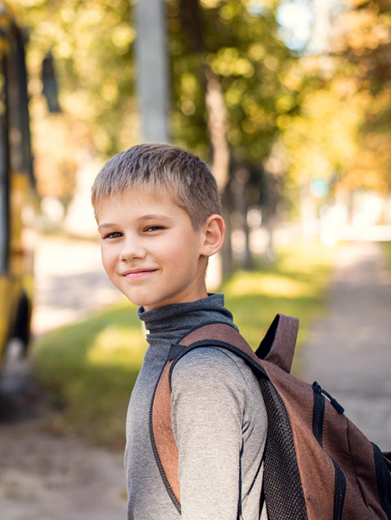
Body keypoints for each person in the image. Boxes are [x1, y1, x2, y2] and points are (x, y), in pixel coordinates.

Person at [91, 143, 267, 520]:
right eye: (113, 235)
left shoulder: (202, 372)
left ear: (209, 235)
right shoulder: (180, 345)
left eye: (152, 228)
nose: (129, 250)